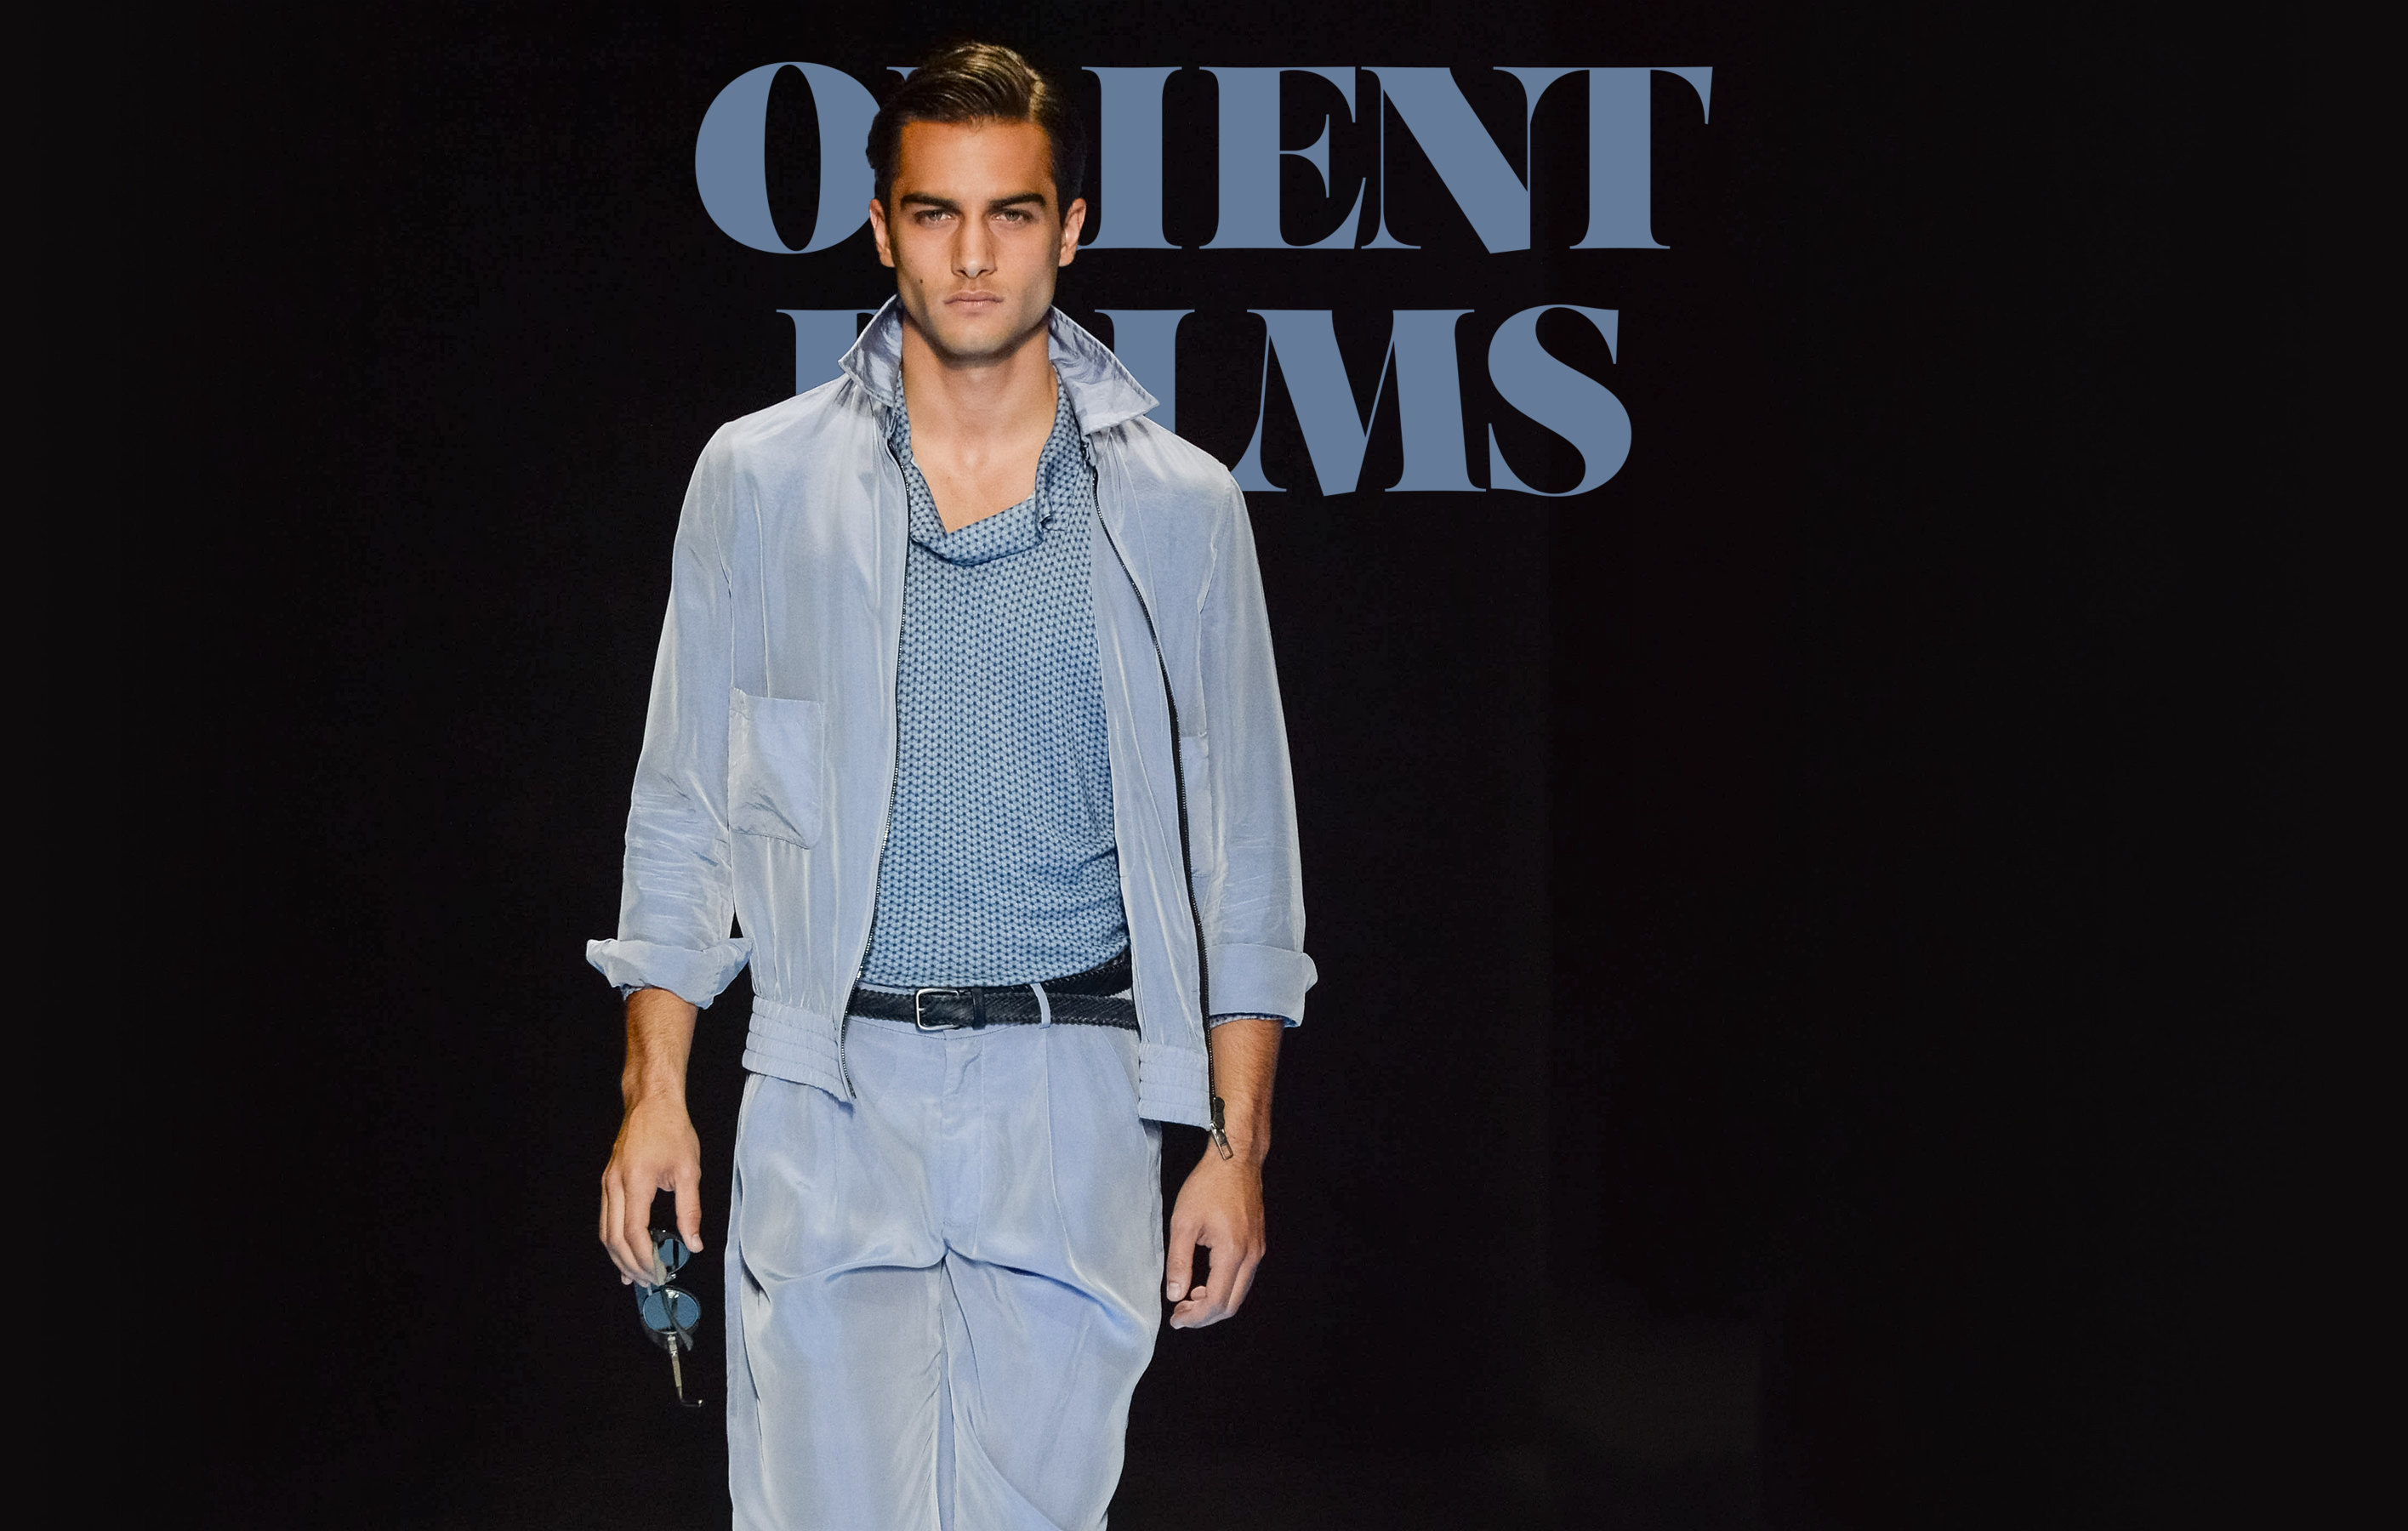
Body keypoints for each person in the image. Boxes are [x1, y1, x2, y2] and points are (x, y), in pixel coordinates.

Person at [588, 42, 1315, 1530]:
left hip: (1074, 1089)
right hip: (828, 1080)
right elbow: (683, 817)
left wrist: (1233, 1150)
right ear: (881, 229)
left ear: (1070, 227)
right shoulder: (758, 482)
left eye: (1010, 213)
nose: (973, 256)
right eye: (936, 213)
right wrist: (655, 1093)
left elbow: (1244, 859)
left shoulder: (1179, 508)